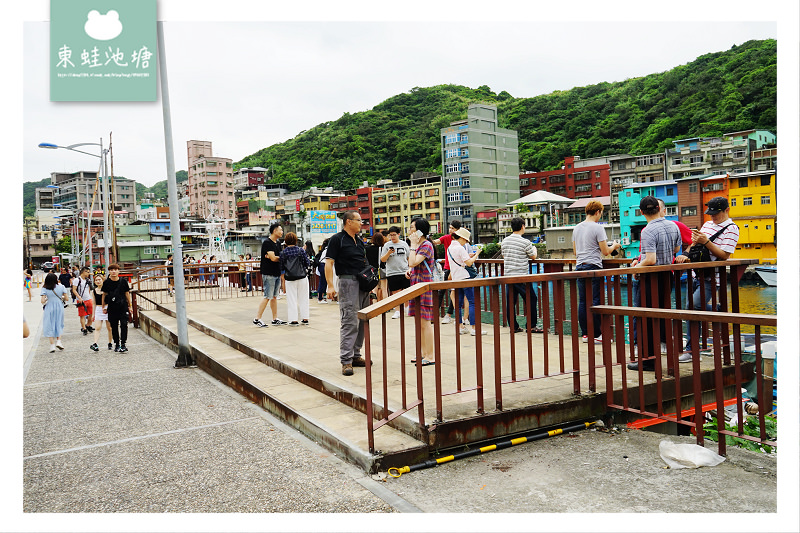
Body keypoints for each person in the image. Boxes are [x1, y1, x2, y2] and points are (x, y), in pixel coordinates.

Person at [675, 196, 739, 363]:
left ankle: (692, 350)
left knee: (692, 306)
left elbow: (724, 255)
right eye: (710, 214)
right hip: (697, 273)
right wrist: (686, 254)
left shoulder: (732, 228)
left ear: (726, 210)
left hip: (713, 277)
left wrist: (707, 241)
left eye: (716, 214)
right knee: (691, 308)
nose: (713, 217)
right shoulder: (707, 224)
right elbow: (695, 243)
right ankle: (716, 310)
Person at [626, 196, 682, 371]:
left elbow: (650, 259)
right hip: (668, 276)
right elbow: (675, 250)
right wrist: (641, 259)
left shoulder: (647, 231)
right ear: (659, 207)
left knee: (645, 319)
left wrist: (636, 268)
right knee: (662, 315)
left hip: (651, 278)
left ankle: (649, 360)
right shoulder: (674, 225)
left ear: (642, 212)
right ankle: (669, 358)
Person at [325, 210, 371, 376]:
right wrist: (330, 286)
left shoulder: (358, 241)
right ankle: (346, 360)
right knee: (349, 320)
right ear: (348, 222)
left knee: (362, 320)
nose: (361, 223)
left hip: (362, 283)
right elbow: (329, 263)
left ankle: (356, 354)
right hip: (347, 282)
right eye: (358, 220)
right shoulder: (337, 239)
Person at [572, 201, 621, 343]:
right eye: (601, 213)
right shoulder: (598, 228)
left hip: (580, 266)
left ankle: (586, 334)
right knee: (595, 301)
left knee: (583, 301)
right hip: (593, 267)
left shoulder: (577, 228)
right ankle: (598, 335)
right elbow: (605, 252)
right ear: (598, 212)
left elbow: (575, 252)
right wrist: (615, 246)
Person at [501, 216, 544, 334]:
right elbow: (533, 256)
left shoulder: (505, 241)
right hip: (521, 276)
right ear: (522, 227)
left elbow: (504, 256)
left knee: (511, 302)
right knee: (531, 299)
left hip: (509, 276)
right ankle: (531, 326)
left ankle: (513, 327)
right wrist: (534, 249)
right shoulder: (525, 242)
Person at [405, 217, 436, 366]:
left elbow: (413, 261)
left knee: (425, 323)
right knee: (420, 323)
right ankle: (423, 354)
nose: (410, 230)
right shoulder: (420, 245)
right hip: (416, 284)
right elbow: (413, 265)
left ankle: (430, 356)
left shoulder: (426, 245)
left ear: (419, 230)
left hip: (424, 286)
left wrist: (412, 245)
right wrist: (410, 271)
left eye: (412, 227)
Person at [448, 227, 485, 336]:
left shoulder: (450, 248)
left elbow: (459, 261)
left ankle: (460, 327)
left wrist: (468, 257)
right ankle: (474, 328)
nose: (466, 242)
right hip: (465, 278)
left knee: (458, 304)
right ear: (462, 238)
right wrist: (477, 254)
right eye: (466, 240)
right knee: (472, 302)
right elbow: (469, 263)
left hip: (456, 279)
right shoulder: (460, 248)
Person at [253, 222, 287, 327]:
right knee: (267, 296)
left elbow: (276, 257)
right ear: (274, 231)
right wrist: (277, 257)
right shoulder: (267, 243)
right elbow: (274, 258)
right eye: (280, 230)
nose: (282, 232)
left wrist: (276, 257)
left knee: (274, 297)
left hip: (276, 272)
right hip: (269, 273)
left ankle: (275, 318)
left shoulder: (277, 243)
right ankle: (257, 319)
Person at [433, 220, 462, 324]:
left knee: (453, 292)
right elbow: (436, 241)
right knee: (441, 291)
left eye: (453, 228)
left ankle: (449, 314)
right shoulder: (446, 238)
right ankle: (434, 314)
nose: (450, 230)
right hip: (448, 267)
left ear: (458, 230)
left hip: (458, 268)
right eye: (450, 228)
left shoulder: (461, 239)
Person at [280, 232, 311, 326]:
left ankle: (293, 320)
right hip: (302, 277)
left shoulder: (283, 253)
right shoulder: (300, 250)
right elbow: (307, 263)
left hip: (289, 279)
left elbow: (281, 267)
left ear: (285, 241)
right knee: (304, 298)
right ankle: (305, 318)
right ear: (296, 240)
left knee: (291, 299)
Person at [381, 226, 410, 319]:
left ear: (398, 234)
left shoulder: (404, 244)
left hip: (404, 271)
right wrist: (388, 253)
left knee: (406, 291)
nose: (392, 237)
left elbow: (409, 257)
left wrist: (410, 268)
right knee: (395, 292)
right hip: (391, 272)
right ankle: (397, 310)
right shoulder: (386, 245)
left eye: (394, 235)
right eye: (390, 235)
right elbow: (383, 259)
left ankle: (407, 308)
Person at [101, 264, 133, 353]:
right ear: (109, 271)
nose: (113, 271)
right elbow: (104, 294)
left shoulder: (123, 282)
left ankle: (123, 344)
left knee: (124, 324)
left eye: (115, 269)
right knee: (114, 326)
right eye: (111, 270)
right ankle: (117, 344)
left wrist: (130, 306)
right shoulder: (107, 282)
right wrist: (103, 306)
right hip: (111, 307)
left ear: (118, 271)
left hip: (123, 306)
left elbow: (127, 293)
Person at [41, 272, 70, 352]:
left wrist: (48, 298)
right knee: (59, 323)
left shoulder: (45, 288)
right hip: (59, 307)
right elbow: (67, 299)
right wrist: (61, 297)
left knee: (49, 324)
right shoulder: (61, 287)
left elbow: (42, 301)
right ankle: (59, 341)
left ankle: (52, 345)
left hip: (49, 307)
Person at [89, 273, 114, 351]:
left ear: (103, 280)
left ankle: (110, 343)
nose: (98, 281)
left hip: (107, 308)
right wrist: (93, 314)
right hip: (98, 309)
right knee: (97, 327)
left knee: (109, 327)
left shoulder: (107, 290)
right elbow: (93, 303)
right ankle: (95, 343)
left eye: (99, 279)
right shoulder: (94, 291)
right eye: (96, 280)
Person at [72, 266, 95, 336]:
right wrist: (79, 297)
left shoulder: (87, 280)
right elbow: (74, 289)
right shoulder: (77, 280)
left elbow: (89, 289)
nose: (88, 273)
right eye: (87, 272)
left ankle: (88, 325)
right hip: (81, 300)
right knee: (82, 315)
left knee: (91, 314)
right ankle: (84, 328)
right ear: (83, 272)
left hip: (88, 299)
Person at [365, 232, 386, 301]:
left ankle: (375, 305)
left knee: (374, 289)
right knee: (384, 289)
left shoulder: (367, 248)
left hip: (371, 271)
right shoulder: (383, 248)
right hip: (382, 270)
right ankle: (386, 305)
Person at [315, 239, 330, 304]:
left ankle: (321, 297)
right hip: (324, 265)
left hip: (321, 265)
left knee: (323, 281)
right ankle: (320, 298)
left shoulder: (324, 250)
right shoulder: (328, 250)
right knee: (323, 282)